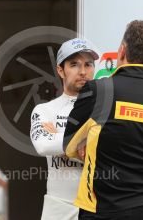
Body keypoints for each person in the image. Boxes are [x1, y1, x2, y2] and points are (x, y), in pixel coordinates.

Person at [63, 20, 143, 220]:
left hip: (105, 209)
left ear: (122, 51)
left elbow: (69, 146)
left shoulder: (97, 91)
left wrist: (90, 143)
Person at [30, 38, 99, 220]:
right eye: (74, 64)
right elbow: (43, 146)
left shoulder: (105, 110)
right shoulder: (44, 110)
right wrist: (84, 143)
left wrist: (61, 141)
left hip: (97, 207)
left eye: (88, 64)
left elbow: (109, 153)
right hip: (58, 208)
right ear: (61, 70)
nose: (83, 72)